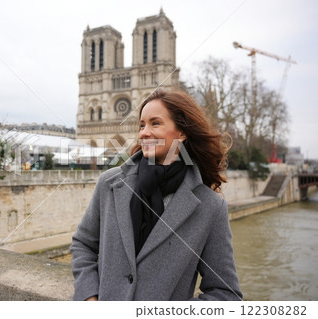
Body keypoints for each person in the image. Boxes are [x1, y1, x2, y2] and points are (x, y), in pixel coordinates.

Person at [70, 89, 243, 301]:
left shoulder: (210, 207)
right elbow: (83, 245)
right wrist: (89, 297)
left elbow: (226, 294)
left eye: (155, 123)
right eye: (142, 125)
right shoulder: (110, 184)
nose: (144, 132)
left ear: (181, 132)